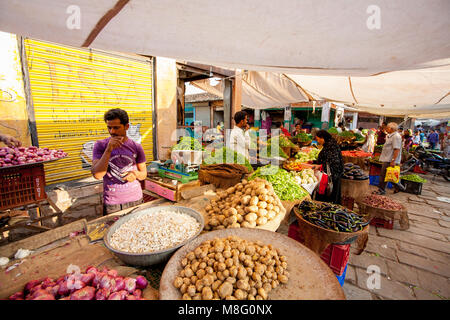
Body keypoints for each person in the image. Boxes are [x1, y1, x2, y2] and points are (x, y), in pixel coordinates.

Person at [91, 108, 147, 216]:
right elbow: (97, 175)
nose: (112, 131)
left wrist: (135, 174)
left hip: (135, 199)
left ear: (126, 126)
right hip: (113, 203)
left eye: (116, 128)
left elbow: (144, 174)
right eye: (109, 127)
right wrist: (108, 149)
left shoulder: (136, 147)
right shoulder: (101, 145)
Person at [313, 130, 344, 204]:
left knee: (329, 197)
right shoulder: (328, 144)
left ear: (322, 138)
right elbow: (326, 159)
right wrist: (314, 162)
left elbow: (333, 163)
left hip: (332, 177)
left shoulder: (331, 147)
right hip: (328, 175)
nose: (318, 141)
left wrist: (320, 166)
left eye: (318, 139)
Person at [373, 122, 403, 195]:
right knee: (389, 175)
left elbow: (397, 149)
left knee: (384, 175)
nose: (386, 129)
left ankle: (381, 190)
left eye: (387, 128)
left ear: (391, 129)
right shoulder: (391, 136)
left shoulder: (396, 136)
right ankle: (399, 187)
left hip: (390, 159)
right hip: (387, 158)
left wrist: (393, 160)